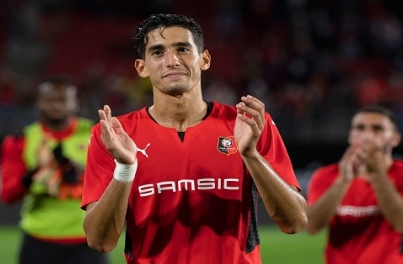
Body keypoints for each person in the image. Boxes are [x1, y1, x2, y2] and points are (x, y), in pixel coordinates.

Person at [81, 13, 307, 263]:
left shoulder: (248, 123)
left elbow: (294, 222)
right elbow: (100, 241)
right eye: (157, 52)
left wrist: (251, 155)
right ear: (141, 68)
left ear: (205, 59)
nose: (172, 60)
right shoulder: (114, 135)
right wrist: (125, 169)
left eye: (183, 49)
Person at [0, 77, 109, 264]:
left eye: (62, 100)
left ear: (75, 103)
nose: (56, 105)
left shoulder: (98, 135)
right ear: (38, 102)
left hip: (88, 240)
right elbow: (7, 195)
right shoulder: (19, 141)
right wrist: (32, 176)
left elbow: (115, 185)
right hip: (39, 240)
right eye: (49, 100)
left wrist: (80, 175)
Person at [306, 105, 403, 264]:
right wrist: (343, 180)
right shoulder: (326, 176)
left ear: (395, 139)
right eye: (360, 128)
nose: (367, 135)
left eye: (377, 129)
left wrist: (377, 174)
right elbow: (311, 226)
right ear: (351, 136)